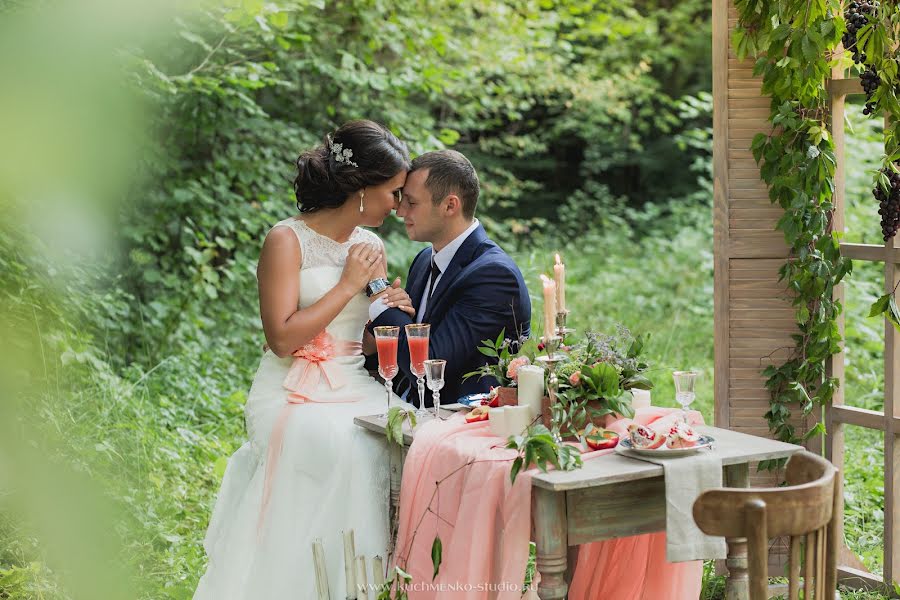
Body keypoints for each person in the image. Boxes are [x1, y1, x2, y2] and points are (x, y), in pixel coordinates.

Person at [194, 120, 417, 600]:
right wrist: (345, 287)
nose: (398, 207)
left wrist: (393, 312)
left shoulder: (372, 247)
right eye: (394, 193)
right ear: (362, 187)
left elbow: (366, 338)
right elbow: (280, 338)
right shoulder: (285, 240)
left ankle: (370, 584)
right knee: (341, 445)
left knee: (400, 436)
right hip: (290, 387)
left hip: (352, 380)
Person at [368, 149, 531, 406]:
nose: (399, 211)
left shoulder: (493, 276)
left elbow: (427, 366)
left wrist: (380, 296)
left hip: (463, 423)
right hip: (409, 409)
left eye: (411, 202)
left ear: (450, 205)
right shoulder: (424, 260)